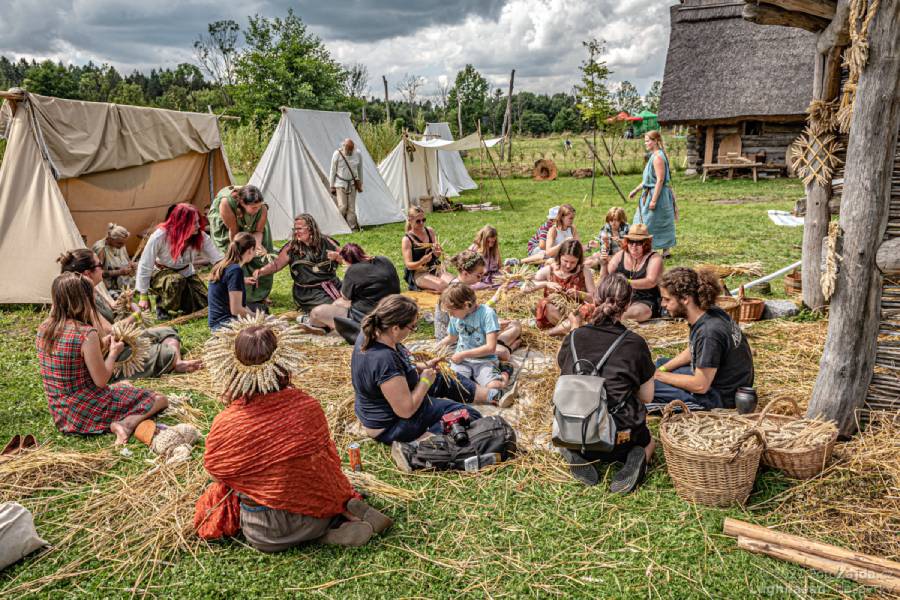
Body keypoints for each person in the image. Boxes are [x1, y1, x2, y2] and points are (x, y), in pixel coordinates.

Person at [194, 323, 391, 550]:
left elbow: (216, 473)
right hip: (317, 513)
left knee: (246, 517)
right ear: (283, 361)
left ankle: (323, 538)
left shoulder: (228, 422)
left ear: (231, 367)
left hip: (267, 529)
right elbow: (325, 463)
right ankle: (338, 519)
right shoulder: (308, 406)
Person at [351, 295, 499, 453]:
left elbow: (401, 365)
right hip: (392, 426)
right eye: (412, 327)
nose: (413, 330)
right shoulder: (384, 360)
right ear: (395, 328)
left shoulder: (375, 331)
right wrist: (424, 382)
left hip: (392, 409)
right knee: (468, 414)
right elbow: (405, 410)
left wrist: (423, 367)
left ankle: (491, 395)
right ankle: (422, 446)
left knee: (443, 377)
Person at [36, 272, 168, 444]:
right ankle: (127, 424)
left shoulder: (44, 328)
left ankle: (120, 420)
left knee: (125, 384)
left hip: (62, 414)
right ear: (82, 300)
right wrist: (113, 352)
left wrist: (103, 344)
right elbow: (101, 380)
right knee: (159, 399)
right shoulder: (85, 333)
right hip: (87, 411)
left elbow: (74, 358)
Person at [556, 274, 656, 492]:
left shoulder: (573, 337)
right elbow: (647, 397)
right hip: (618, 438)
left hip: (574, 428)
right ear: (628, 305)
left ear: (594, 299)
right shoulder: (635, 343)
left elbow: (565, 374)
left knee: (571, 427)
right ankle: (636, 455)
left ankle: (575, 451)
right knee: (649, 442)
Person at [58, 248, 201, 376]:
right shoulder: (83, 300)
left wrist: (125, 301)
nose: (103, 269)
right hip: (110, 354)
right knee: (166, 351)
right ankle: (173, 360)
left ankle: (175, 361)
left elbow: (113, 306)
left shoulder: (92, 289)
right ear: (88, 273)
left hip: (120, 342)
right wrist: (136, 315)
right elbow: (112, 331)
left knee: (168, 332)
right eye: (100, 265)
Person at [651, 267, 754, 411]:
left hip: (719, 397)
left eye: (667, 299)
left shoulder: (709, 332)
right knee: (659, 364)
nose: (663, 304)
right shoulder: (709, 312)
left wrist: (659, 376)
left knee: (647, 387)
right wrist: (663, 369)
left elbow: (700, 385)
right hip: (720, 381)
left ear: (685, 299)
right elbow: (694, 350)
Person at [135, 203, 223, 318]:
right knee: (175, 281)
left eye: (198, 221)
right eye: (194, 223)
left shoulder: (200, 237)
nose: (198, 226)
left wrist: (231, 274)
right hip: (161, 273)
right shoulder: (160, 236)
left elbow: (217, 259)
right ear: (182, 224)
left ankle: (180, 303)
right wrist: (143, 296)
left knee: (205, 303)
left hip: (185, 272)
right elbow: (145, 264)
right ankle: (162, 305)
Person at [253, 214, 342, 324]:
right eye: (294, 229)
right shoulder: (292, 247)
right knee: (332, 311)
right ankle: (306, 319)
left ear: (310, 228)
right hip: (309, 292)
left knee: (352, 302)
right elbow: (276, 264)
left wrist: (338, 257)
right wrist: (261, 271)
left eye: (299, 229)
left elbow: (346, 257)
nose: (296, 232)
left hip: (334, 285)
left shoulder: (326, 242)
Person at [435, 250, 522, 360]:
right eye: (479, 275)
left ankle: (503, 345)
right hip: (457, 342)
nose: (481, 278)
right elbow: (464, 325)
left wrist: (495, 298)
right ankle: (508, 347)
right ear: (466, 273)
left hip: (469, 332)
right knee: (504, 350)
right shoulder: (455, 293)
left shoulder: (462, 287)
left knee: (515, 324)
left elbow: (475, 311)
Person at [303, 243, 401, 334]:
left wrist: (348, 274)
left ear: (347, 261)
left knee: (316, 312)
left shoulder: (353, 270)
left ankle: (321, 326)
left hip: (369, 316)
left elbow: (345, 297)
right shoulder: (384, 260)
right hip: (393, 309)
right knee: (338, 303)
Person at [207, 185, 274, 306]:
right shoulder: (226, 203)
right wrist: (239, 252)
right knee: (237, 260)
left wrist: (257, 247)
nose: (257, 210)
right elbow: (233, 231)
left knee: (261, 257)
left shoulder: (261, 208)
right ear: (242, 203)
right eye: (254, 207)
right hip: (230, 228)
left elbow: (258, 232)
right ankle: (239, 295)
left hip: (251, 228)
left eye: (259, 206)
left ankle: (260, 295)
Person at [437, 282, 510, 393]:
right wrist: (436, 348)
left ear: (466, 305)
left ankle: (505, 373)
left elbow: (491, 348)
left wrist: (462, 354)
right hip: (463, 361)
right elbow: (451, 337)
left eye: (452, 312)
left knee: (494, 387)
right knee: (453, 386)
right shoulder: (455, 317)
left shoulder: (487, 314)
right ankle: (475, 381)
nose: (450, 315)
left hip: (484, 360)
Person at [530, 239, 596, 337]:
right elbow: (526, 287)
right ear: (560, 256)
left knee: (586, 311)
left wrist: (579, 294)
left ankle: (552, 332)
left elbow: (593, 298)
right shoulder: (550, 270)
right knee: (545, 305)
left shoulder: (584, 271)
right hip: (555, 312)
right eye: (565, 261)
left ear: (579, 260)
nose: (568, 265)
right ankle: (573, 328)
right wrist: (545, 284)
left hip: (576, 311)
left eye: (573, 262)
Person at [599, 224, 663, 323]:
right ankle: (609, 315)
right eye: (631, 242)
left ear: (646, 243)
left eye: (638, 243)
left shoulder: (654, 258)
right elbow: (606, 279)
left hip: (643, 299)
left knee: (638, 312)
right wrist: (603, 265)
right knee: (598, 299)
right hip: (619, 297)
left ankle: (609, 316)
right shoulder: (621, 255)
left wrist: (625, 282)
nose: (634, 246)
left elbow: (651, 281)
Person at [629, 131, 676, 258]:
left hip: (657, 194)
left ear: (655, 141)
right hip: (654, 192)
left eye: (648, 141)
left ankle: (659, 249)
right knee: (657, 220)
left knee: (646, 221)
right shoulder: (654, 155)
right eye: (645, 141)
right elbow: (648, 180)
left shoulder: (658, 157)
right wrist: (636, 190)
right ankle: (660, 249)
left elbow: (660, 180)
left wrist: (654, 200)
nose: (646, 143)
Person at [208, 233, 265, 331]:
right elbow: (236, 310)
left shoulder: (223, 265)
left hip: (217, 323)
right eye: (255, 249)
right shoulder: (235, 270)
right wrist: (260, 318)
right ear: (250, 250)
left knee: (262, 310)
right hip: (225, 324)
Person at [401, 206, 453, 292]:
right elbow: (409, 265)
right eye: (418, 221)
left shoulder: (430, 231)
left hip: (434, 267)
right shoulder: (407, 239)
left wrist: (438, 252)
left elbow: (437, 255)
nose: (422, 223)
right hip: (418, 272)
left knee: (454, 283)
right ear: (410, 221)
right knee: (442, 286)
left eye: (423, 220)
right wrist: (422, 261)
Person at [329, 138, 363, 230]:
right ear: (343, 146)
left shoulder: (358, 154)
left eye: (351, 149)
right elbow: (333, 171)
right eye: (348, 149)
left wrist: (360, 184)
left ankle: (352, 227)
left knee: (351, 208)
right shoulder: (337, 154)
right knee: (343, 206)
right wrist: (331, 185)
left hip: (352, 183)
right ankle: (339, 226)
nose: (349, 151)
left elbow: (360, 170)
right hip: (340, 184)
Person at [92, 223, 136, 293]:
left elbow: (127, 261)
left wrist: (131, 265)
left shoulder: (121, 245)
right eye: (119, 243)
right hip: (107, 286)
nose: (122, 246)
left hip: (121, 282)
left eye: (124, 243)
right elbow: (97, 273)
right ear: (110, 238)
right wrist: (119, 272)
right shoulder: (101, 249)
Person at [467, 225, 502, 289]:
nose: (491, 245)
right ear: (483, 239)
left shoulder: (495, 249)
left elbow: (500, 267)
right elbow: (467, 270)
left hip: (494, 277)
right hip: (480, 279)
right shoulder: (473, 250)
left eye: (493, 242)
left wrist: (505, 270)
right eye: (488, 242)